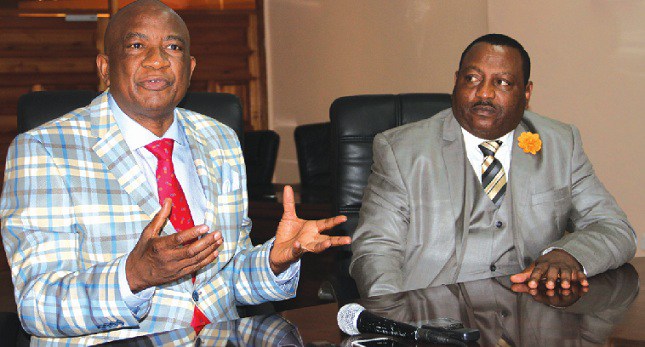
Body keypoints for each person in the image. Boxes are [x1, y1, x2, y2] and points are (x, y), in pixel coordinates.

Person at [0, 0, 349, 345]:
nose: (157, 59)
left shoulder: (220, 140)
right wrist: (133, 276)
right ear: (105, 67)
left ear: (190, 66)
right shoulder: (44, 150)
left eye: (173, 46)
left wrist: (274, 260)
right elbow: (37, 305)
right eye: (137, 45)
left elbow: (224, 280)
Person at [349, 33, 636, 298]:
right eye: (472, 79)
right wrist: (393, 319)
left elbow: (613, 228)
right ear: (456, 81)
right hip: (432, 316)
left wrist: (567, 254)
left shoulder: (561, 144)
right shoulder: (401, 151)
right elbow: (376, 250)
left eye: (502, 83)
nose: (484, 94)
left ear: (526, 93)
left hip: (530, 320)